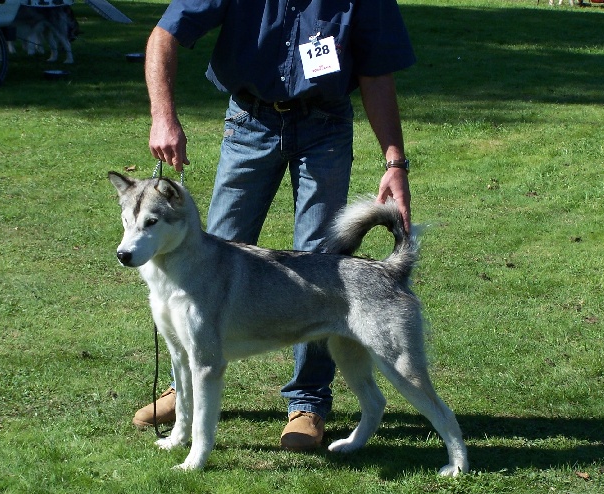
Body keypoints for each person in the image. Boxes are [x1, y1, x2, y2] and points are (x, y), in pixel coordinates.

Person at [133, 0, 416, 451]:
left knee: (322, 268)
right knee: (205, 256)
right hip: (249, 122)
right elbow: (164, 35)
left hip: (325, 126)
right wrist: (163, 116)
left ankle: (307, 402)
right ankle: (183, 387)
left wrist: (394, 161)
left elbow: (377, 72)